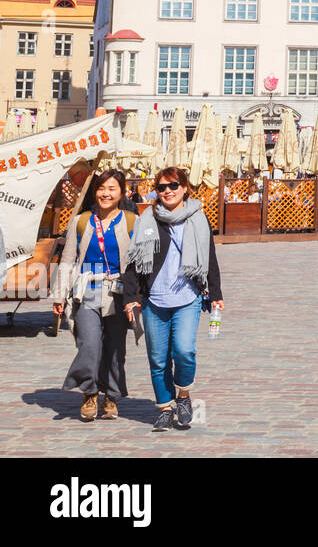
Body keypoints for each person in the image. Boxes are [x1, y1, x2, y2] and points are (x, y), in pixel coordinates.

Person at [122, 167, 224, 432]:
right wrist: (131, 297)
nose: (167, 191)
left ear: (185, 188)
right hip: (155, 300)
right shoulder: (148, 219)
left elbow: (209, 257)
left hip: (187, 297)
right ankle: (165, 409)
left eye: (173, 185)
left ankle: (183, 395)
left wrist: (216, 294)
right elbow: (133, 262)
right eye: (161, 187)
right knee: (158, 359)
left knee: (184, 351)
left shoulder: (198, 217)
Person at [52, 170, 137, 422]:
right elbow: (67, 260)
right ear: (95, 191)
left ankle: (110, 396)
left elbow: (138, 262)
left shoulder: (132, 221)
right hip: (86, 290)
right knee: (88, 343)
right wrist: (59, 296)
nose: (106, 193)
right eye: (101, 188)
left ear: (122, 192)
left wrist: (138, 295)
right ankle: (89, 392)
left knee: (114, 348)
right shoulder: (81, 221)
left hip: (118, 292)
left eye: (112, 188)